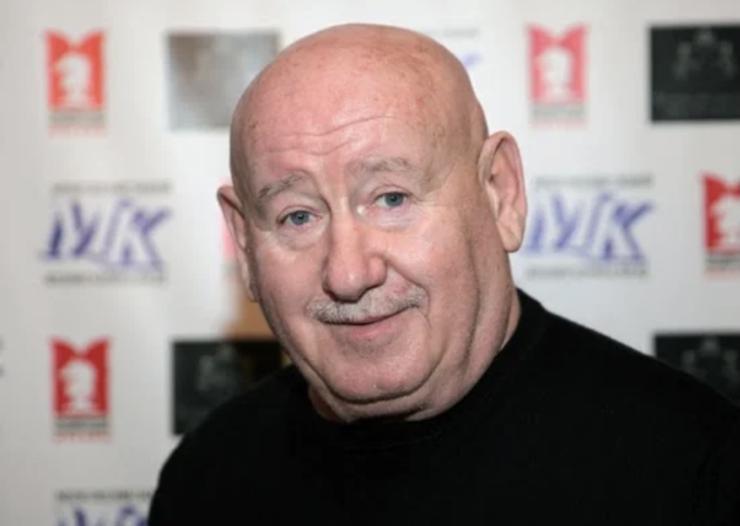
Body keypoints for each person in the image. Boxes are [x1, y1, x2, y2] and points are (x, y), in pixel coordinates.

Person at [150, 24, 740, 524]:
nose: (349, 274)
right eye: (298, 216)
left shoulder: (692, 467)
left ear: (500, 194)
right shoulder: (208, 478)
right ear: (246, 245)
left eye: (392, 199)